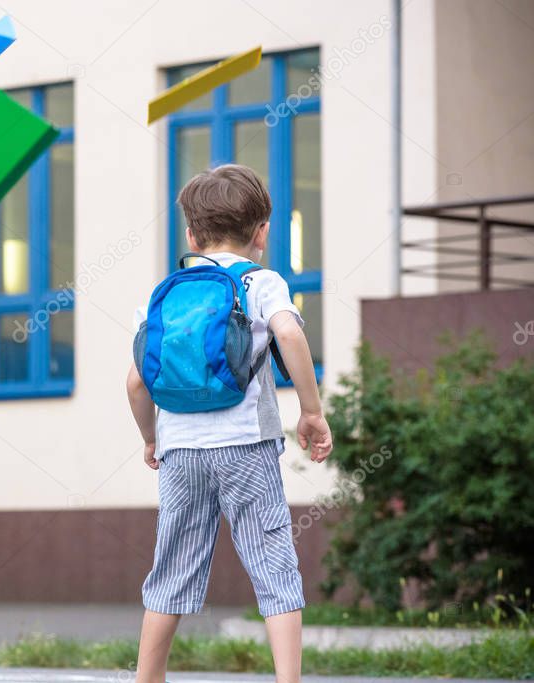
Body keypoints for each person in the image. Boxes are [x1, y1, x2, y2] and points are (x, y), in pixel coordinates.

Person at [126, 165, 333, 683]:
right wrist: (311, 411)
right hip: (246, 446)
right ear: (262, 231)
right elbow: (289, 333)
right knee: (272, 563)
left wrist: (150, 437)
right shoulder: (260, 282)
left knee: (170, 567)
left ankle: (147, 678)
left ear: (191, 235)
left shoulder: (164, 293)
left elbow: (134, 382)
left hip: (180, 454)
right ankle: (288, 678)